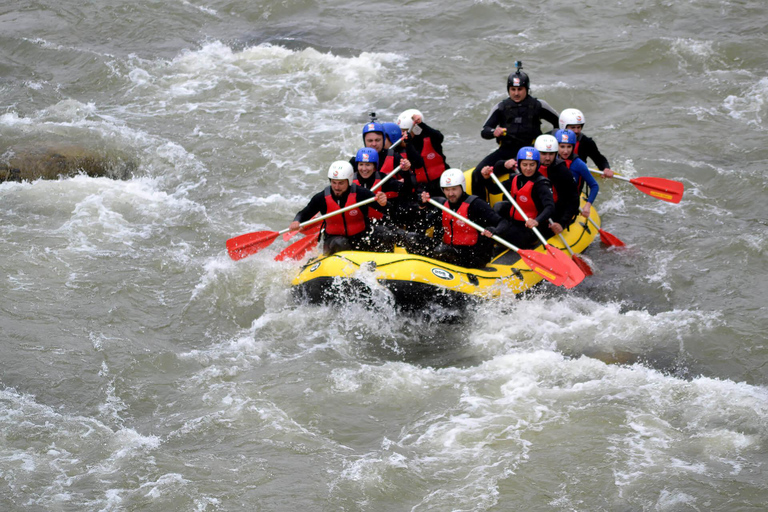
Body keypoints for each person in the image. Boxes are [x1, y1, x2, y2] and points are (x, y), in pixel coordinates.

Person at [471, 63, 559, 200]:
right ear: (508, 90)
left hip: (530, 152)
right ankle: (481, 209)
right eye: (513, 89)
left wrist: (547, 141)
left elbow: (559, 123)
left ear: (527, 89)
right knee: (477, 173)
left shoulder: (538, 105)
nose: (516, 93)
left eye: (520, 89)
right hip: (505, 152)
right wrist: (494, 132)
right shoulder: (500, 107)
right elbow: (484, 131)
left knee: (519, 177)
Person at [404, 169, 506, 269]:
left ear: (462, 187)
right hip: (449, 249)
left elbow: (502, 222)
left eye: (454, 189)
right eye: (447, 190)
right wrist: (422, 208)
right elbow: (422, 226)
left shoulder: (476, 204)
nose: (450, 194)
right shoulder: (442, 206)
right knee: (411, 237)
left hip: (472, 255)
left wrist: (494, 231)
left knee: (441, 250)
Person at [289, 161, 389, 255]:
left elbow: (385, 209)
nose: (336, 187)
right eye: (334, 182)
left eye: (341, 183)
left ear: (348, 181)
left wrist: (383, 203)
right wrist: (296, 221)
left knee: (385, 233)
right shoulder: (321, 198)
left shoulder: (361, 193)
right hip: (333, 241)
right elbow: (304, 213)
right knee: (341, 242)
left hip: (360, 238)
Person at [487, 147, 555, 250]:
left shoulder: (541, 184)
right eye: (525, 165)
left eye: (532, 165)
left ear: (537, 165)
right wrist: (486, 178)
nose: (528, 168)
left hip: (530, 228)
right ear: (519, 164)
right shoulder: (516, 178)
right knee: (498, 207)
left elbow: (550, 207)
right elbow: (494, 189)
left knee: (500, 235)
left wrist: (536, 221)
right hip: (514, 220)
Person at [532, 134, 579, 237]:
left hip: (554, 212)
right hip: (533, 209)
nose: (548, 158)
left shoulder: (562, 171)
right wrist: (504, 164)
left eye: (551, 154)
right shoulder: (528, 166)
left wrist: (562, 222)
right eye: (543, 154)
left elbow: (573, 200)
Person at [397, 109, 448, 197]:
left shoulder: (431, 137)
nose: (403, 134)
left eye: (405, 130)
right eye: (401, 131)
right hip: (422, 187)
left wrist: (421, 124)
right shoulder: (403, 145)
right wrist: (408, 143)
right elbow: (417, 163)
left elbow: (440, 137)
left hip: (440, 181)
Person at [554, 129, 599, 218]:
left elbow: (594, 186)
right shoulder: (550, 159)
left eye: (569, 147)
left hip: (570, 204)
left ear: (573, 147)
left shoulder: (578, 164)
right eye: (562, 147)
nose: (566, 151)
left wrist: (587, 205)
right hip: (553, 201)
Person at [558, 108, 614, 178]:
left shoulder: (586, 142)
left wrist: (606, 168)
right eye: (573, 127)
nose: (576, 131)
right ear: (563, 127)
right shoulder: (552, 138)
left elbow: (599, 159)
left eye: (578, 127)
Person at [349, 121, 414, 178]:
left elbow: (412, 182)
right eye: (370, 141)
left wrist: (406, 172)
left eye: (377, 140)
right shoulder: (354, 162)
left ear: (383, 140)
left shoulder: (395, 157)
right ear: (364, 141)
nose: (374, 144)